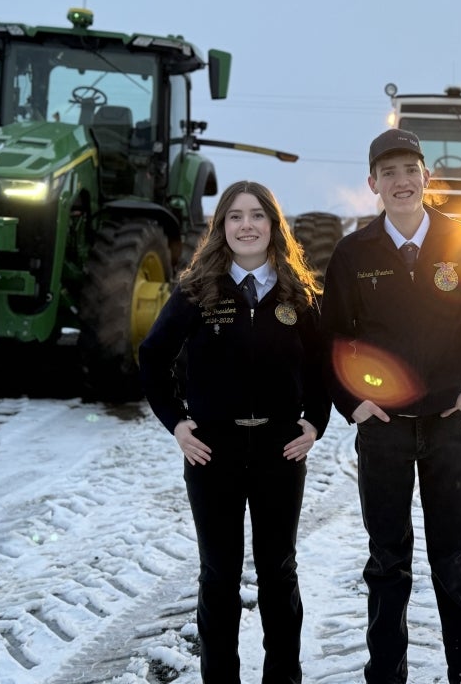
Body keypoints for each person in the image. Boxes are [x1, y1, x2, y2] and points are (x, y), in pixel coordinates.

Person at [139, 180, 330, 684]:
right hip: (213, 454)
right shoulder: (196, 291)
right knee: (219, 577)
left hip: (279, 452)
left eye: (257, 216)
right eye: (235, 217)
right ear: (222, 228)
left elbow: (324, 365)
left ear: (273, 226)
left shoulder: (299, 293)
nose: (247, 225)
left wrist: (316, 421)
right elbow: (152, 357)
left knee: (278, 574)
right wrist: (177, 423)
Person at [320, 128, 461, 684]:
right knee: (388, 563)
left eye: (409, 170)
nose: (400, 182)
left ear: (426, 178)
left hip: (447, 426)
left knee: (454, 560)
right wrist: (353, 403)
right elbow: (334, 339)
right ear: (372, 183)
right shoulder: (353, 253)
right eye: (388, 173)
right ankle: (385, 676)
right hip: (385, 430)